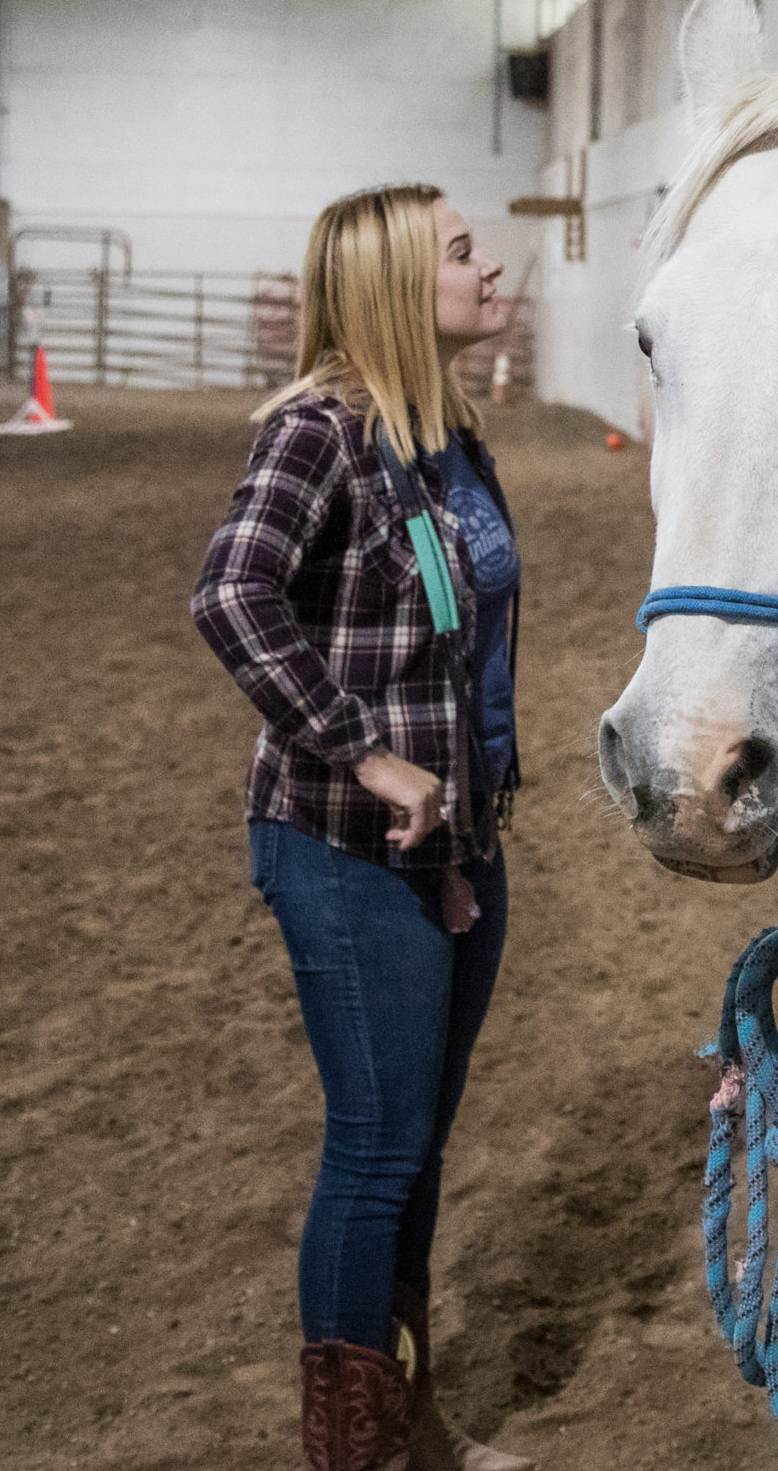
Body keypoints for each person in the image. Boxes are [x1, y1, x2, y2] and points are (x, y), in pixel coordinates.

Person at [192, 183, 532, 1471]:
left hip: (455, 850)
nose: (488, 265)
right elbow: (231, 593)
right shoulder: (321, 434)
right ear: (398, 286)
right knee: (377, 1144)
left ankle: (408, 1429)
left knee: (413, 1148)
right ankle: (356, 1454)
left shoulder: (442, 435)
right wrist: (365, 752)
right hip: (345, 849)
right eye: (460, 252)